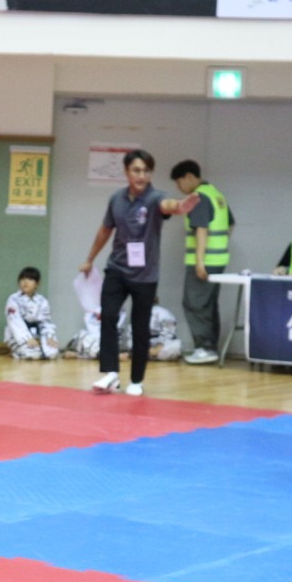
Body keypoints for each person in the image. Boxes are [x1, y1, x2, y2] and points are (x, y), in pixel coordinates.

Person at [79, 148, 199, 396]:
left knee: (140, 326)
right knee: (108, 316)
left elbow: (169, 206)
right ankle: (111, 373)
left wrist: (181, 206)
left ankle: (136, 380)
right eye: (136, 170)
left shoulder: (156, 198)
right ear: (127, 172)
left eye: (146, 171)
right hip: (117, 268)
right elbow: (105, 230)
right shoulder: (116, 199)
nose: (141, 175)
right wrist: (90, 259)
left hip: (145, 275)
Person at [169, 160, 233, 365]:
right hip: (218, 259)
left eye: (179, 181)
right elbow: (230, 225)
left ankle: (204, 348)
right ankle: (210, 347)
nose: (179, 187)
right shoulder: (216, 195)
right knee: (208, 304)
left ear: (189, 177)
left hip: (204, 262)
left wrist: (199, 262)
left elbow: (201, 229)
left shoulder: (198, 197)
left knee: (194, 303)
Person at [3, 266, 59, 360]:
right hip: (17, 335)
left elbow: (46, 322)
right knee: (32, 354)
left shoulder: (42, 301)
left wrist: (49, 337)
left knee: (52, 352)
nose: (25, 282)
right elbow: (14, 321)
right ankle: (17, 352)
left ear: (37, 283)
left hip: (36, 334)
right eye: (22, 279)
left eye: (30, 279)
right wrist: (27, 338)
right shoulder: (13, 299)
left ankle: (39, 348)